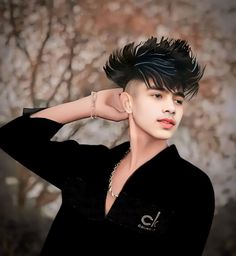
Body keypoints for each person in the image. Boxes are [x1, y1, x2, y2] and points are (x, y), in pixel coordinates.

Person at [0, 36, 215, 255]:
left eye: (177, 100)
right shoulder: (90, 165)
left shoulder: (192, 187)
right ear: (127, 102)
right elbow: (14, 138)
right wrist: (93, 103)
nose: (171, 108)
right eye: (157, 95)